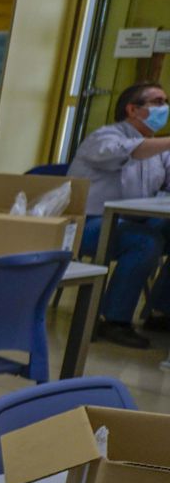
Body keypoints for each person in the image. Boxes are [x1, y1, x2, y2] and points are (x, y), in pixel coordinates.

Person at [69, 82, 170, 349]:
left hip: (132, 220)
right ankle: (113, 320)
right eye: (158, 102)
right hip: (87, 225)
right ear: (133, 110)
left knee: (158, 233)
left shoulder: (157, 148)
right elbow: (128, 152)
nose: (165, 108)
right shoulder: (104, 137)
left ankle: (161, 312)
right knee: (145, 242)